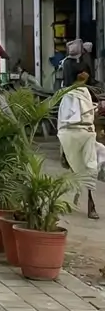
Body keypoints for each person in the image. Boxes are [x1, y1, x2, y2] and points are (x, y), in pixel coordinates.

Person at [57, 65, 99, 219]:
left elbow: (91, 115)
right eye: (81, 72)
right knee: (75, 170)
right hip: (71, 134)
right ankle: (70, 200)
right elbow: (63, 120)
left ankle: (91, 204)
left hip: (88, 134)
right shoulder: (68, 94)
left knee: (91, 167)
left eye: (85, 72)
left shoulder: (88, 92)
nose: (83, 74)